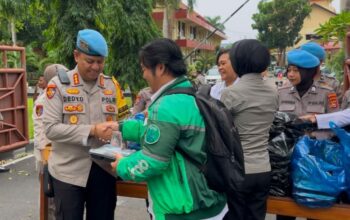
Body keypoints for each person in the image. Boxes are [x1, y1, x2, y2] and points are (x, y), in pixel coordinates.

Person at [111, 38, 227, 220]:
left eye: (143, 69)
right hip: (209, 200)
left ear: (160, 68)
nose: (143, 75)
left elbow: (153, 161)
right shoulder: (193, 94)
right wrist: (121, 128)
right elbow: (169, 136)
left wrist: (122, 166)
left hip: (183, 208)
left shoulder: (165, 106)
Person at [43, 29, 119, 220]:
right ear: (76, 56)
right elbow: (51, 129)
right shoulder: (58, 85)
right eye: (90, 61)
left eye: (100, 62)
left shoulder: (110, 86)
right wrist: (92, 130)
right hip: (69, 172)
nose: (95, 67)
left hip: (103, 170)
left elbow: (120, 123)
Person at [277, 49, 339, 220]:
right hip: (288, 158)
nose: (290, 74)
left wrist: (313, 132)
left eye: (296, 71)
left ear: (308, 71)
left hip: (316, 159)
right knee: (284, 208)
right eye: (289, 70)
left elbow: (335, 126)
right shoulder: (281, 92)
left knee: (314, 205)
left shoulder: (326, 93)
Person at [220, 39, 278, 220]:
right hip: (263, 168)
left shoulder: (231, 93)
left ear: (237, 62)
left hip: (238, 169)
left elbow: (221, 131)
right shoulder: (273, 90)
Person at [33, 64, 68, 220]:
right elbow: (41, 131)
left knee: (63, 199)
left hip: (62, 155)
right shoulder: (43, 100)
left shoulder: (64, 97)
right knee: (49, 200)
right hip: (47, 155)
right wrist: (46, 159)